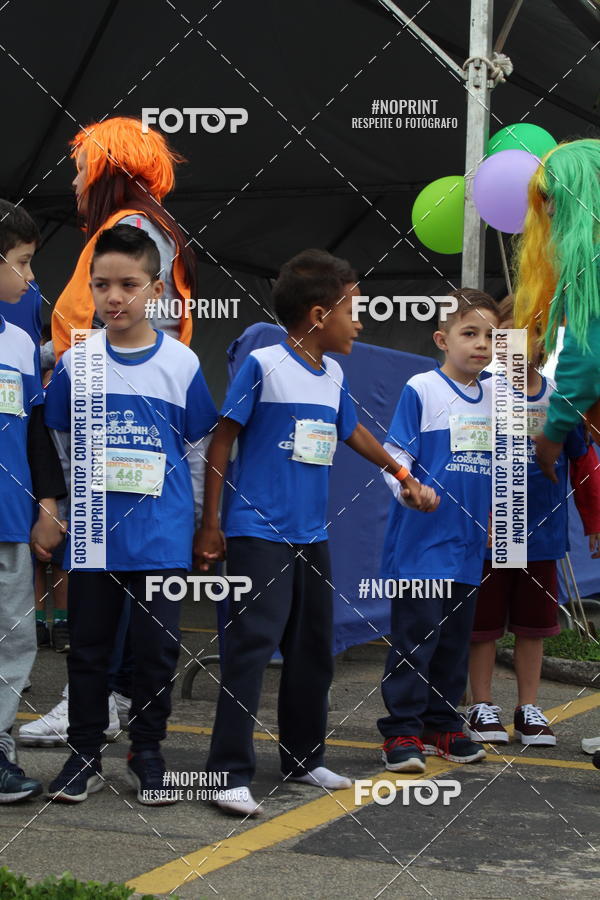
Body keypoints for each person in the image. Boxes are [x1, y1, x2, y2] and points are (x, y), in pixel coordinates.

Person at [196, 249, 439, 817]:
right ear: (316, 315)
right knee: (251, 650)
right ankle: (226, 772)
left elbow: (355, 434)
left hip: (311, 536)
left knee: (313, 650)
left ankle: (303, 759)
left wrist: (404, 475)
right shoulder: (264, 365)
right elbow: (221, 442)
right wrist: (211, 524)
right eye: (352, 310)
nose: (360, 322)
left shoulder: (332, 373)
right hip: (258, 533)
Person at [44, 225, 217, 804]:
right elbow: (61, 440)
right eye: (101, 285)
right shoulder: (80, 361)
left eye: (128, 284)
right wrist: (66, 507)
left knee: (156, 650)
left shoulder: (182, 363)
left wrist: (193, 522)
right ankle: (83, 755)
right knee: (88, 648)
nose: (114, 297)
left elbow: (196, 452)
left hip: (162, 535)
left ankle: (149, 751)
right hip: (93, 531)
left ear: (157, 288)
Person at [466, 296, 600, 746]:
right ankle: (480, 704)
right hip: (489, 536)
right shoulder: (480, 392)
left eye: (534, 331)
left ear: (547, 339)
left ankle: (529, 707)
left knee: (533, 627)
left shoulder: (561, 399)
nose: (521, 342)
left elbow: (583, 465)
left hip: (541, 538)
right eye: (510, 332)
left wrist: (593, 519)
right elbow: (463, 460)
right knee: (483, 627)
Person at [377, 289, 500, 773]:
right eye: (469, 333)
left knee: (454, 641)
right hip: (420, 547)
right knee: (416, 639)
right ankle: (402, 732)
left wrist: (497, 518)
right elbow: (394, 455)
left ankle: (444, 726)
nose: (481, 344)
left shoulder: (496, 395)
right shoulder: (422, 388)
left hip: (467, 549)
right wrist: (409, 487)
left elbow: (501, 465)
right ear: (441, 339)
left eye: (490, 335)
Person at [0, 200, 66, 802]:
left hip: (9, 520)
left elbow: (34, 432)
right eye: (23, 263)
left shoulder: (22, 342)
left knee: (14, 640)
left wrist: (48, 502)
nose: (31, 277)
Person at [51, 115, 196, 361]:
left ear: (105, 173)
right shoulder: (145, 224)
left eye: (83, 170)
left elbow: (117, 323)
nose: (75, 182)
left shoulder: (135, 227)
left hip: (116, 381)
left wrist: (41, 356)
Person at [513, 139, 600, 478]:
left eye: (552, 196)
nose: (547, 210)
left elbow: (588, 360)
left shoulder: (590, 263)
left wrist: (552, 435)